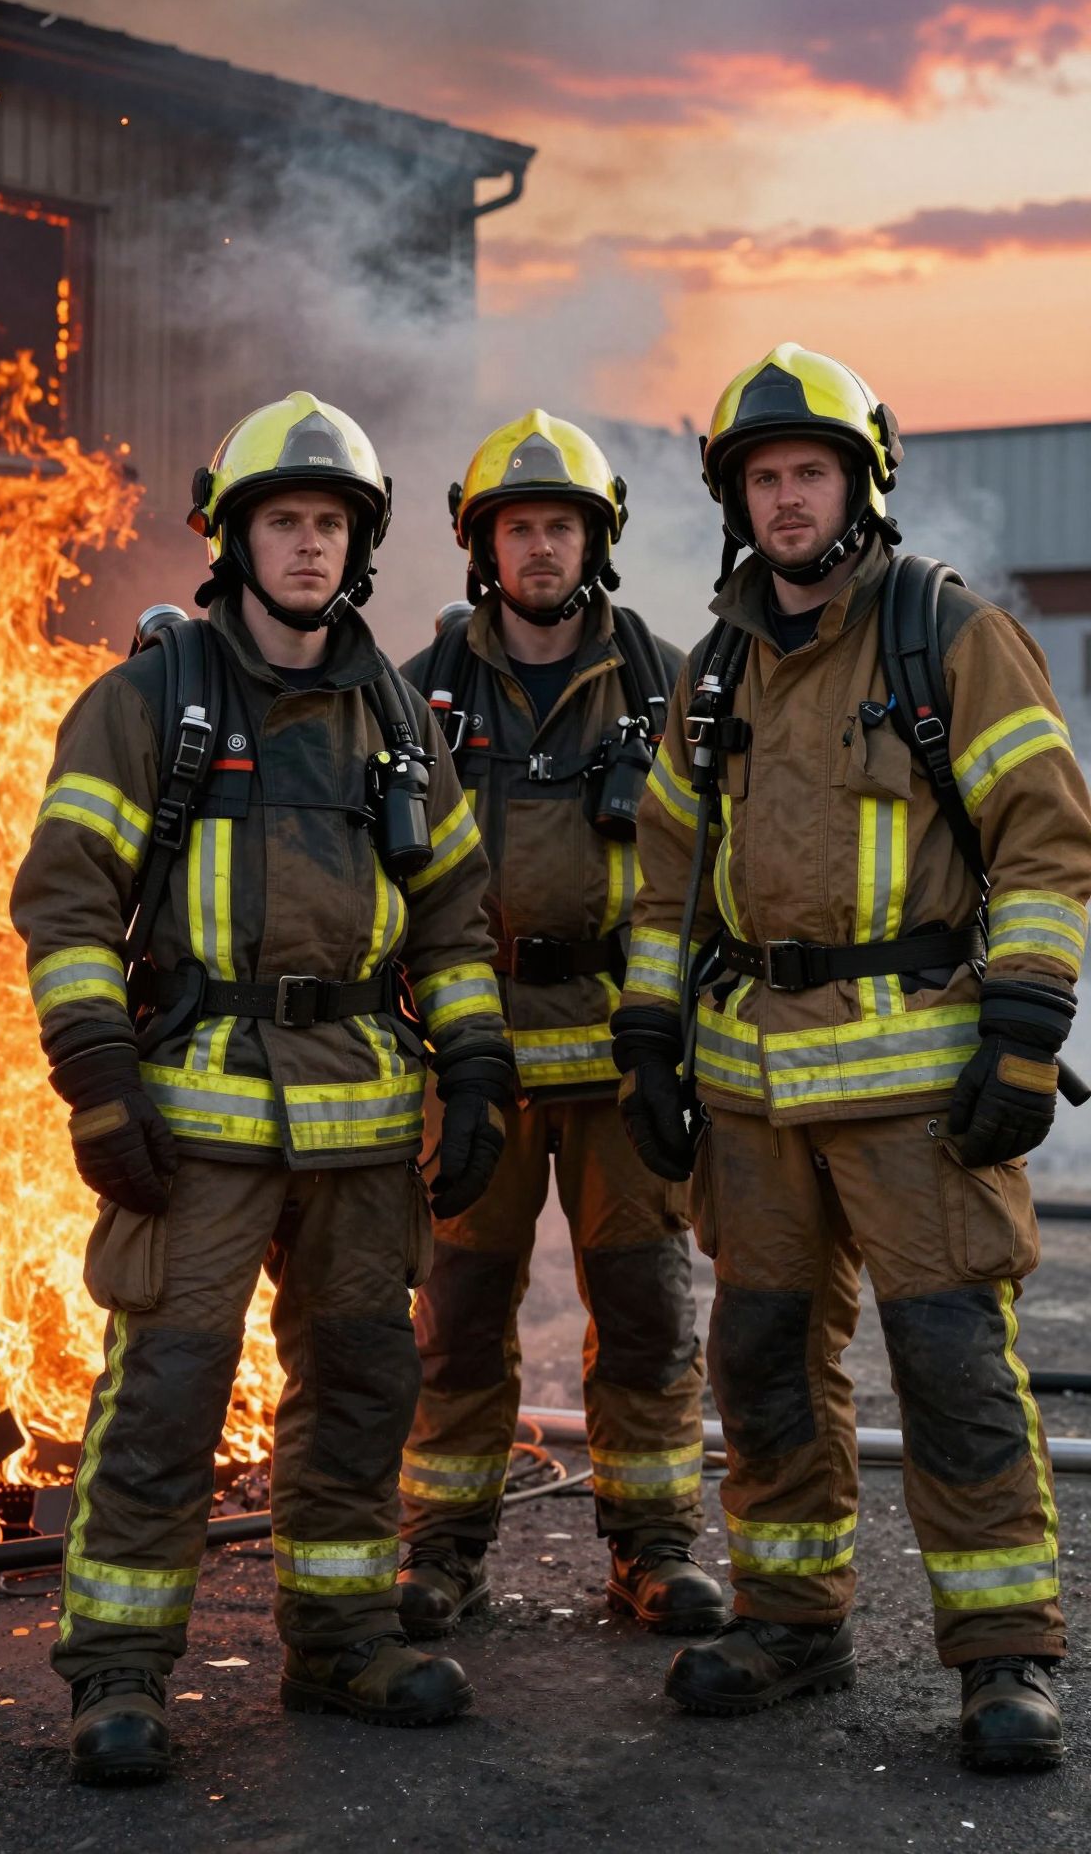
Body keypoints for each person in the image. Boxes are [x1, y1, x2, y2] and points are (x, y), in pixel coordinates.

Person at [10, 392, 514, 1784]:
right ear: (231, 540)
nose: (307, 545)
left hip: (362, 1112)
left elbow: (455, 913)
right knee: (170, 1385)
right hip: (198, 1113)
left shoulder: (396, 716)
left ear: (359, 547)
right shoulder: (146, 703)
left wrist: (472, 1067)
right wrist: (98, 1075)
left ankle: (343, 1635)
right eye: (283, 520)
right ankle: (118, 1669)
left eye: (330, 524)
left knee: (360, 1381)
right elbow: (65, 904)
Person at [612, 344, 1091, 1770]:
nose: (787, 498)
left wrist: (1023, 1031)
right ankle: (791, 1622)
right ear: (735, 500)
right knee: (759, 1356)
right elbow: (665, 876)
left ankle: (1005, 1657)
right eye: (763, 478)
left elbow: (1048, 839)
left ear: (860, 484)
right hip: (754, 1094)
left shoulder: (947, 634)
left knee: (948, 1362)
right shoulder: (712, 670)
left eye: (810, 471)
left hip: (919, 1095)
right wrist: (650, 1035)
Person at [396, 408, 719, 1639]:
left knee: (642, 1306)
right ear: (484, 546)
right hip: (466, 1056)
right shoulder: (419, 693)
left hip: (620, 1046)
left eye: (562, 526)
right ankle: (442, 1546)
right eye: (520, 527)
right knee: (458, 1309)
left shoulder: (671, 683)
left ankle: (652, 1544)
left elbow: (697, 869)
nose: (542, 546)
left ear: (598, 541)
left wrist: (666, 1033)